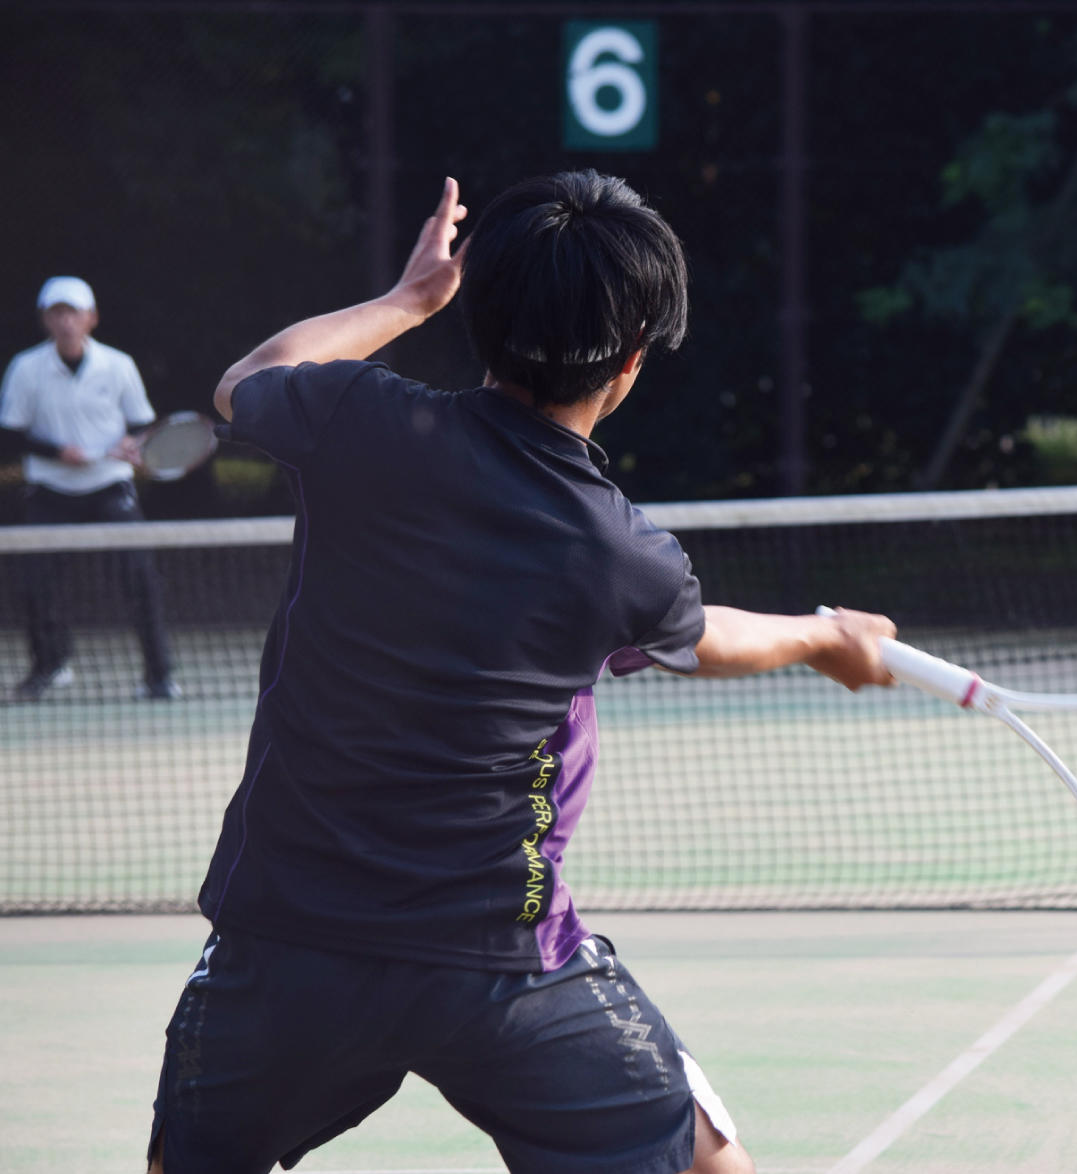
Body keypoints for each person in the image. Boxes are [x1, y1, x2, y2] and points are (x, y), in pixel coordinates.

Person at [146, 173, 896, 1174]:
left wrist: (406, 301)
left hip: (284, 947)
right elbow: (703, 641)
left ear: (479, 319)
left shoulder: (353, 423)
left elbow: (250, 376)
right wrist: (821, 636)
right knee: (714, 1166)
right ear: (631, 362)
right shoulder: (618, 555)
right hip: (502, 967)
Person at [0, 275, 179, 700]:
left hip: (109, 488)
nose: (66, 322)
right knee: (35, 583)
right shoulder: (26, 368)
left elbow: (140, 425)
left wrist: (131, 443)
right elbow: (10, 435)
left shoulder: (119, 365)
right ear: (45, 319)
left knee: (141, 580)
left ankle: (159, 677)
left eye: (73, 312)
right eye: (57, 313)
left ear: (91, 318)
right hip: (50, 491)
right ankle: (50, 665)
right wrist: (57, 451)